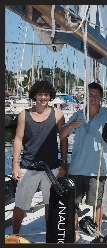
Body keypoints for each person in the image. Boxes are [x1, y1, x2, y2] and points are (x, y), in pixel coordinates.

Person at [59, 82, 107, 242]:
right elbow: (62, 135)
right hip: (77, 168)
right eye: (90, 95)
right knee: (73, 204)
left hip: (97, 169)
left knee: (96, 204)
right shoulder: (78, 114)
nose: (93, 98)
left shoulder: (106, 114)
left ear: (101, 98)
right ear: (86, 96)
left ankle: (96, 234)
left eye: (97, 95)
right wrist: (71, 125)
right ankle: (74, 233)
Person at [11, 80, 68, 234]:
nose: (43, 97)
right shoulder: (24, 114)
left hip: (52, 167)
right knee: (20, 204)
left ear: (50, 96)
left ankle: (50, 235)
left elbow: (63, 139)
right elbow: (18, 139)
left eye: (46, 94)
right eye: (40, 94)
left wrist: (64, 162)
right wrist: (15, 163)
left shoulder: (58, 114)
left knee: (51, 204)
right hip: (28, 166)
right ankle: (15, 233)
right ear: (34, 96)